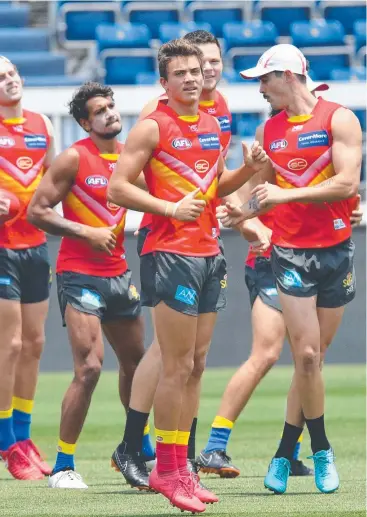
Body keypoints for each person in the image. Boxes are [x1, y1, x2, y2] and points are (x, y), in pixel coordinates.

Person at [107, 39, 268, 513]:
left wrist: (251, 172)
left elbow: (214, 189)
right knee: (175, 366)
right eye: (180, 74)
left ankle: (180, 468)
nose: (192, 79)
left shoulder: (215, 123)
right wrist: (168, 207)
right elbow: (117, 188)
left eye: (196, 71)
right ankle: (166, 469)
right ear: (165, 83)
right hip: (168, 252)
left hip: (208, 250)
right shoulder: (153, 126)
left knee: (196, 365)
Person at [197, 75, 364, 479]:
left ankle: (287, 451)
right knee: (271, 353)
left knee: (310, 359)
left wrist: (348, 210)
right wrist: (244, 219)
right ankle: (216, 446)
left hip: (321, 252)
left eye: (266, 84)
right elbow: (252, 194)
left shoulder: (327, 123)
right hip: (274, 256)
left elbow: (341, 186)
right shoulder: (265, 135)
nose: (261, 92)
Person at [27, 82, 145, 489]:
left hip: (119, 272)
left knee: (138, 366)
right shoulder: (73, 158)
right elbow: (36, 211)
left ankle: (136, 448)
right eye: (100, 110)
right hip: (78, 272)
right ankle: (63, 466)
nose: (110, 113)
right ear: (84, 122)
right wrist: (85, 232)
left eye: (112, 106)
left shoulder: (133, 157)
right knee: (90, 368)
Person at [0, 55, 55, 480]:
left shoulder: (42, 125)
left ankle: (23, 435)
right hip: (2, 247)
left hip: (35, 246)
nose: (9, 81)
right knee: (11, 344)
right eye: (0, 78)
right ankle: (6, 443)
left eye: (12, 73)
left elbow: (53, 182)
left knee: (35, 343)